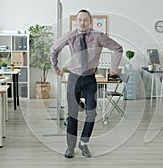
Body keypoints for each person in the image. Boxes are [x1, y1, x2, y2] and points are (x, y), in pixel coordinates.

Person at [50, 9, 123, 158]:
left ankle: (83, 143)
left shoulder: (98, 37)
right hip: (74, 79)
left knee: (92, 113)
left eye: (85, 20)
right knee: (73, 115)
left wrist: (114, 68)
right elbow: (54, 49)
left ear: (90, 22)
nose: (82, 23)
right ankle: (70, 147)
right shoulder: (70, 36)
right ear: (76, 22)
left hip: (90, 79)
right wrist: (55, 67)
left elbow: (118, 48)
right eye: (80, 20)